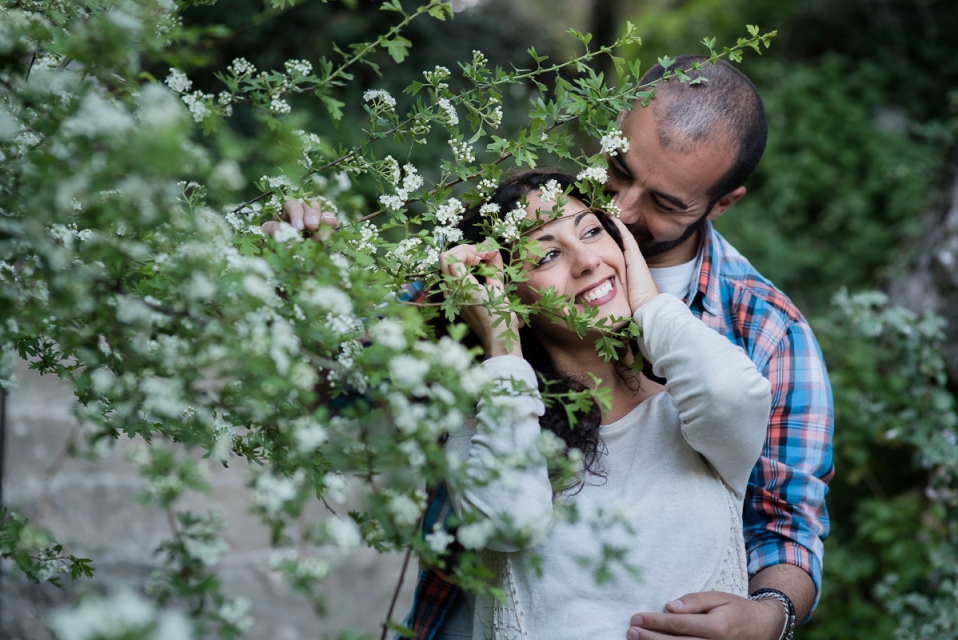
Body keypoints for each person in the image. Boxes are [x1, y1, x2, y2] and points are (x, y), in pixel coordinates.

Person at [268, 55, 834, 640]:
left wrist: (770, 615)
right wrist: (307, 286)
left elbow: (785, 519)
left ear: (722, 203)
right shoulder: (512, 235)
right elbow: (341, 390)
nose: (620, 209)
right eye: (618, 168)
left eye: (665, 203)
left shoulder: (766, 330)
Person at [434, 170, 771, 638]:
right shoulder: (488, 424)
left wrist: (651, 303)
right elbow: (510, 521)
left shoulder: (694, 410)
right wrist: (503, 349)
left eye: (593, 231)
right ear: (506, 295)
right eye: (548, 253)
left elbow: (733, 393)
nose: (588, 260)